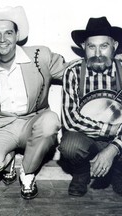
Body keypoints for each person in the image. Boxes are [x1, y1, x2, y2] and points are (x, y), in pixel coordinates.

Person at [0, 6, 68, 200]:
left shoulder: (40, 56)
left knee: (50, 121)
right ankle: (8, 157)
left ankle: (27, 173)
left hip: (33, 120)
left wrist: (109, 62)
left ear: (17, 34)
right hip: (0, 126)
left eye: (8, 33)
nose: (2, 39)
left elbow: (71, 72)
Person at [59, 16, 122, 197]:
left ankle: (118, 171)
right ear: (83, 47)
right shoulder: (73, 72)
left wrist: (113, 148)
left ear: (114, 46)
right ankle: (81, 173)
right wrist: (108, 129)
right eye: (91, 46)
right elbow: (70, 120)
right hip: (87, 138)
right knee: (69, 146)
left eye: (104, 46)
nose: (97, 53)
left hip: (119, 139)